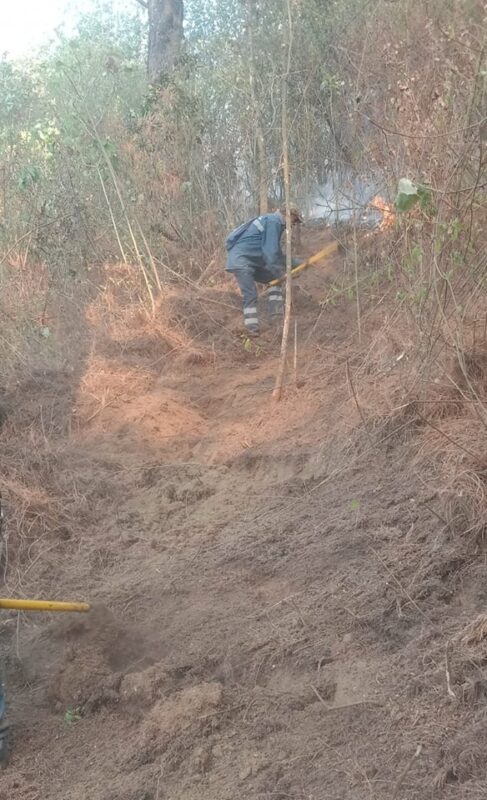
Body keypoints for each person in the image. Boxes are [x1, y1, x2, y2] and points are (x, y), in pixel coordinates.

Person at [225, 205, 303, 335]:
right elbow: (270, 254)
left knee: (274, 279)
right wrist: (281, 272)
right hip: (242, 262)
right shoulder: (274, 222)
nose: (294, 225)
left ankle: (276, 316)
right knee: (250, 294)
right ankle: (252, 329)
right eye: (294, 221)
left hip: (251, 262)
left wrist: (296, 263)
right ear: (288, 216)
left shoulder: (272, 221)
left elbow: (275, 254)